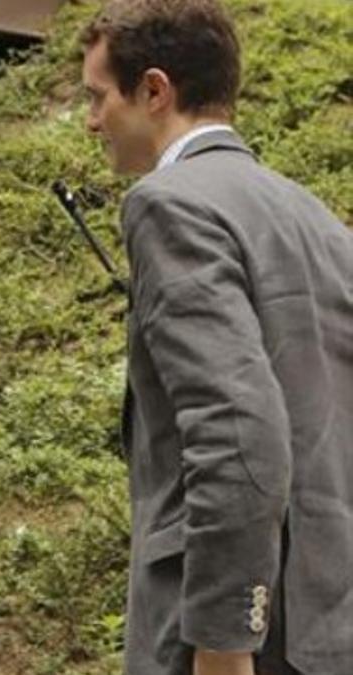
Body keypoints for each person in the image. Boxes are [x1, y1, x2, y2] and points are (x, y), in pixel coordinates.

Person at [79, 1, 353, 674]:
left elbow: (236, 428)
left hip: (235, 640)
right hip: (329, 624)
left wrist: (225, 645)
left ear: (153, 90)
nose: (90, 121)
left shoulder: (169, 203)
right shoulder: (316, 217)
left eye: (97, 98)